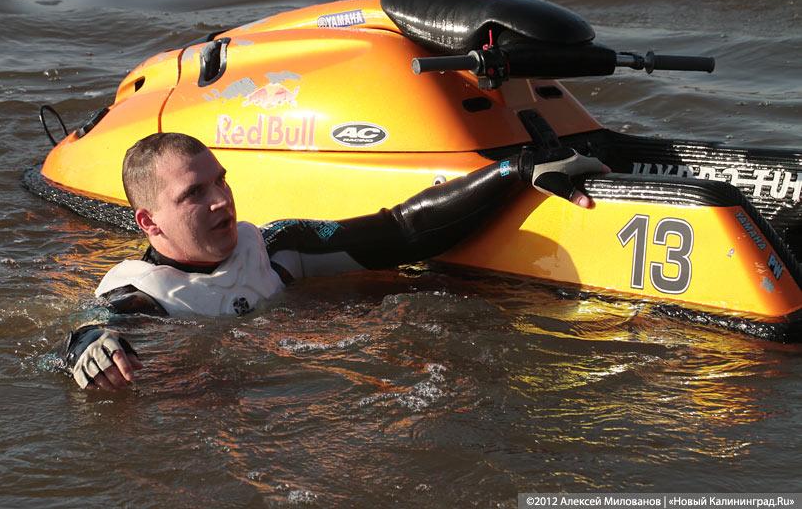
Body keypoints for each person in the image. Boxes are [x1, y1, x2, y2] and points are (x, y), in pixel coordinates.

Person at [62, 132, 607, 391]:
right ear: (149, 222)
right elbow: (94, 329)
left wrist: (516, 168)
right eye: (194, 194)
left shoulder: (277, 248)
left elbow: (402, 231)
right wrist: (87, 346)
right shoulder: (143, 296)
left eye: (221, 181)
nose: (221, 201)